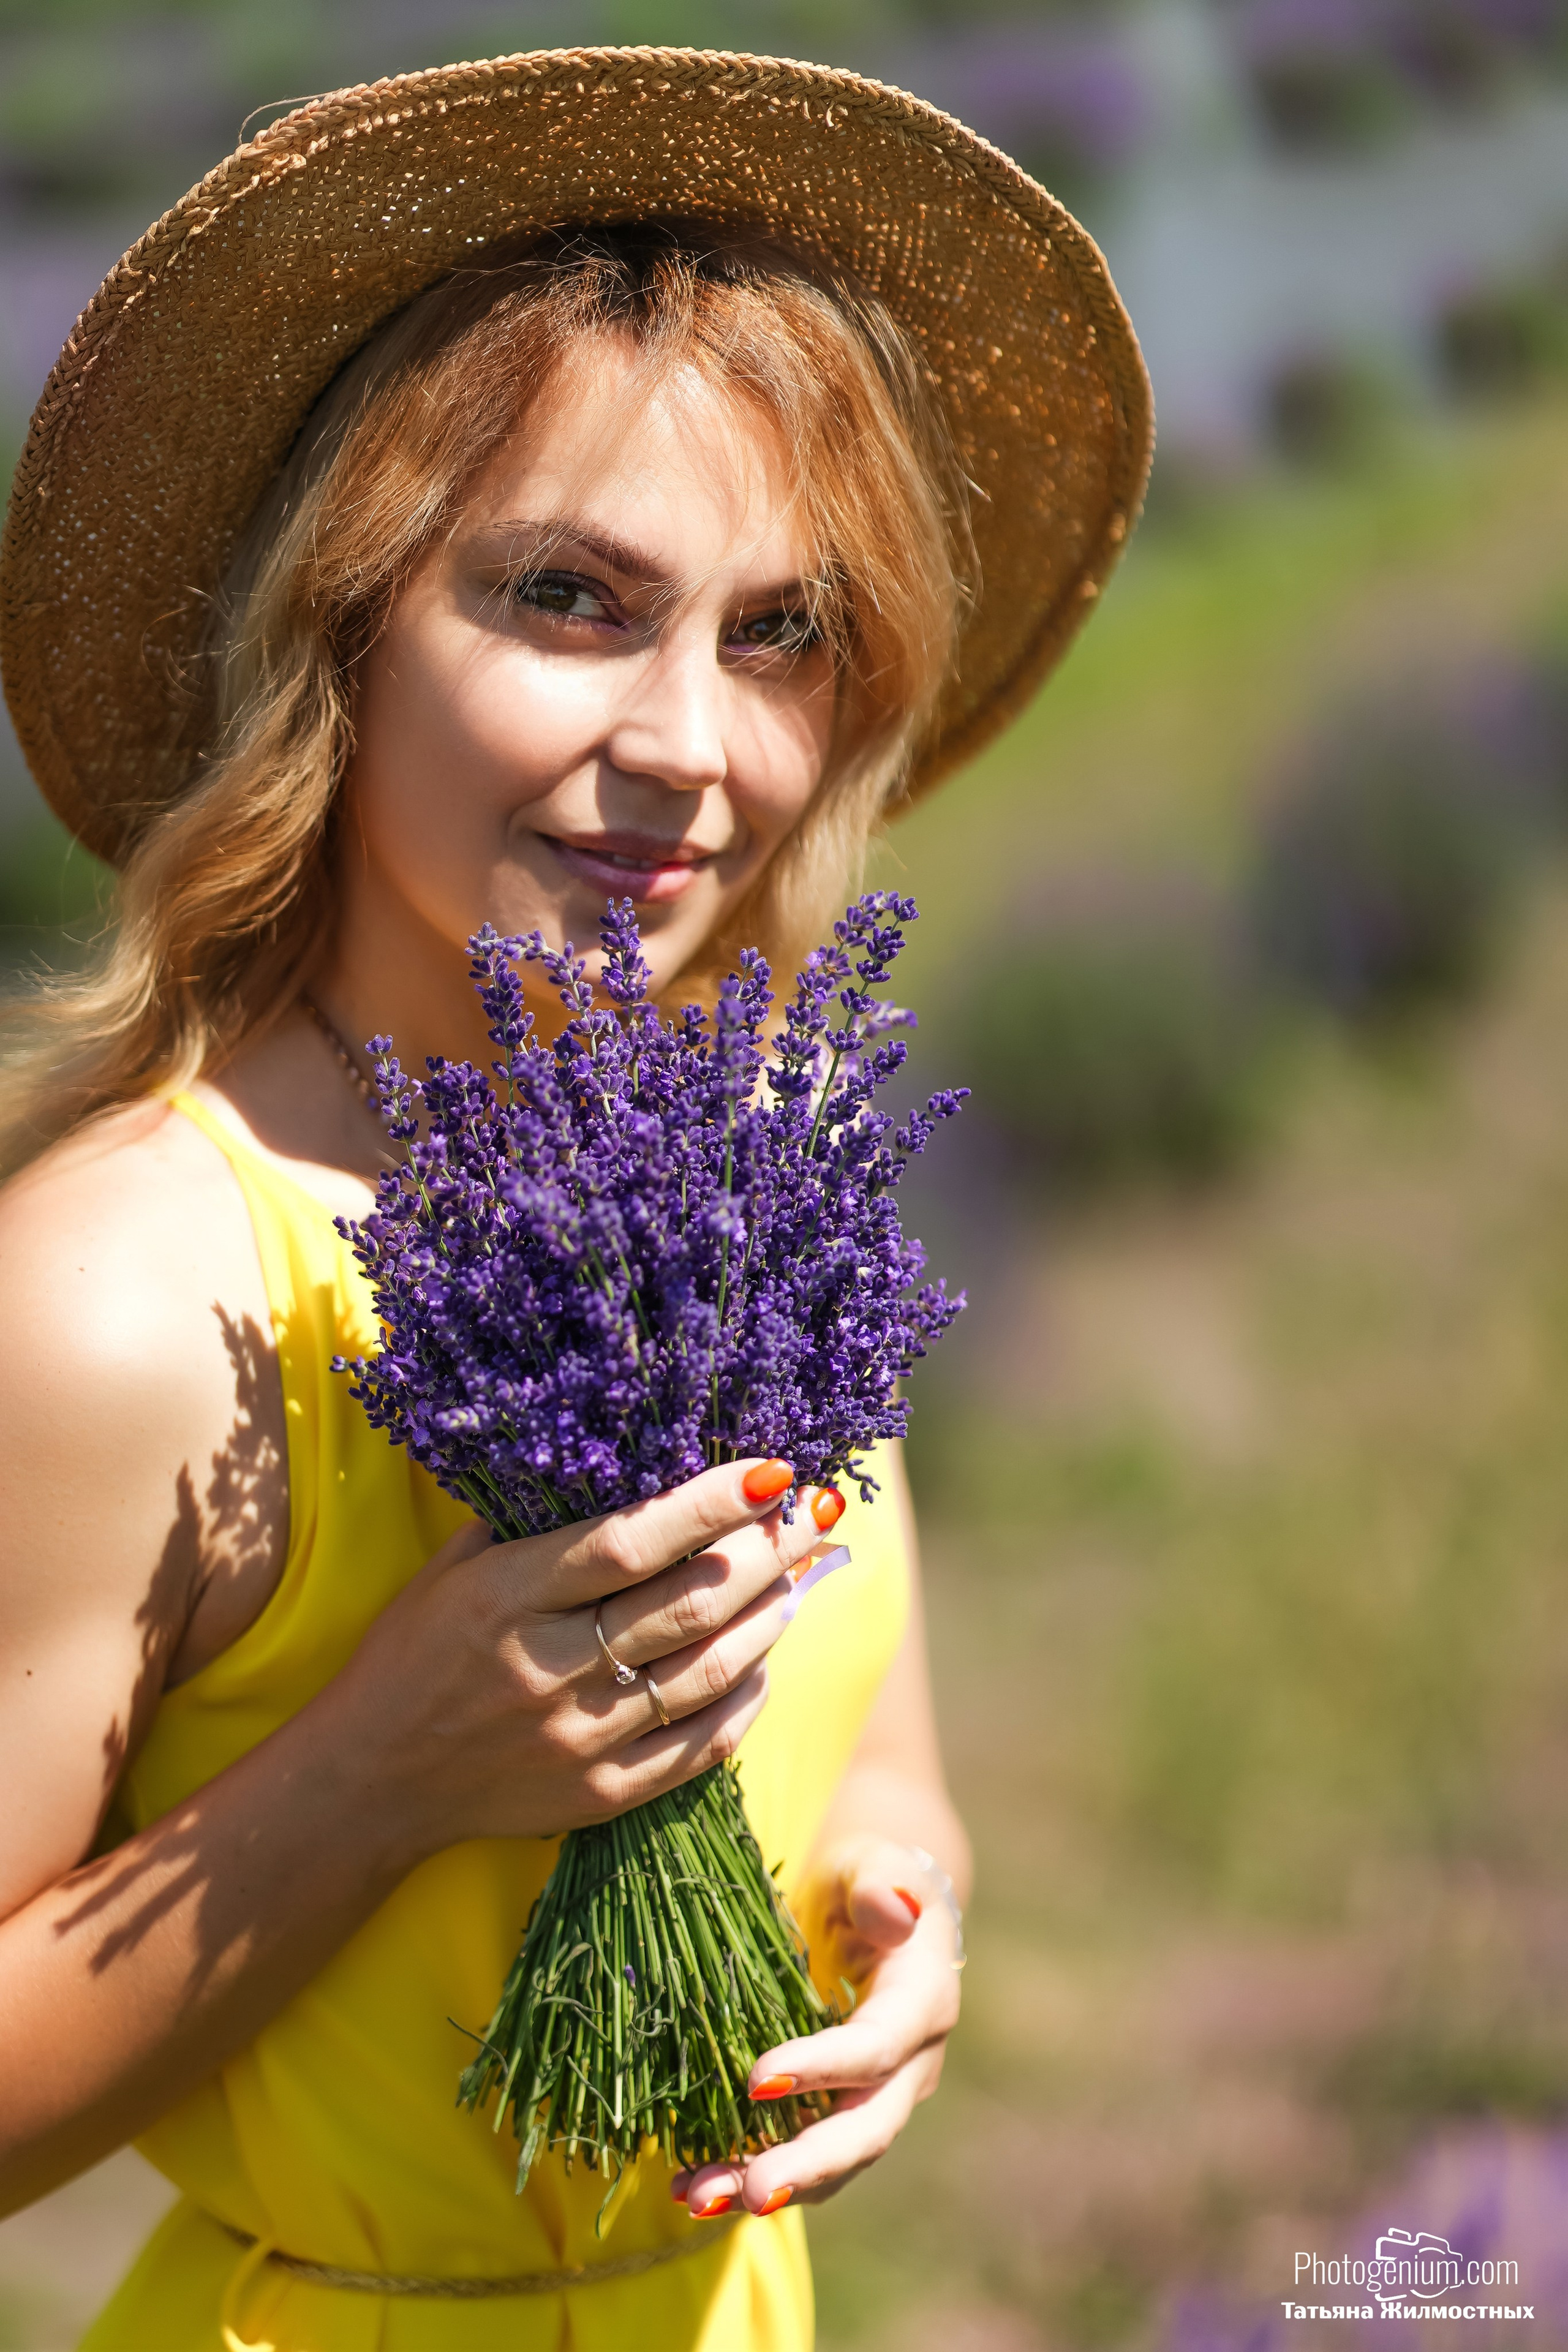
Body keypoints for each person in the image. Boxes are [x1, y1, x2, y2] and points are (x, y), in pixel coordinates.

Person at [0, 48, 1150, 2352]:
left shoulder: (763, 1178)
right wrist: (378, 1772)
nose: (692, 748)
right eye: (568, 599)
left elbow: (876, 1757)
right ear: (339, 624)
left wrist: (900, 1914)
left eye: (780, 631)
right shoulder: (128, 1292)